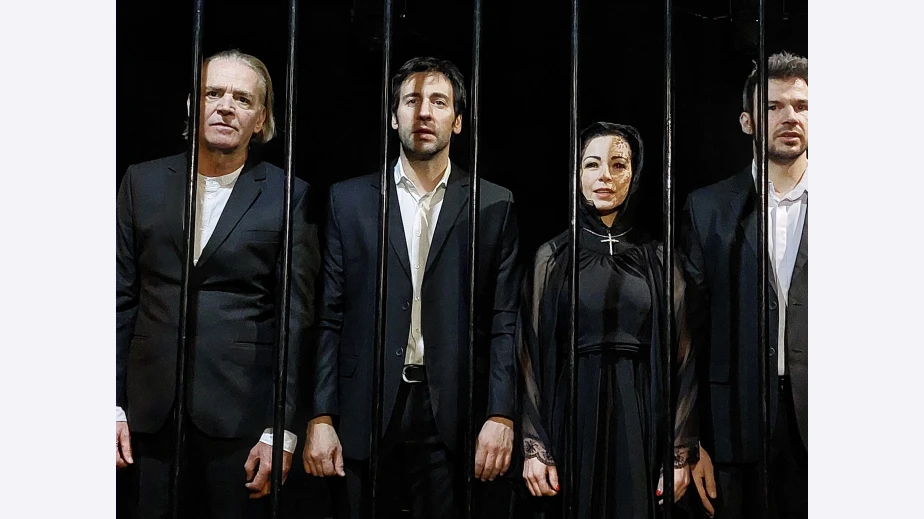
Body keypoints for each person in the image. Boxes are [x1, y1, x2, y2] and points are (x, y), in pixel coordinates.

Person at [303, 56, 521, 518]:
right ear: (393, 115)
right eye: (411, 100)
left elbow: (505, 320)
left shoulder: (493, 203)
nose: (424, 112)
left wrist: (500, 413)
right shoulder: (349, 200)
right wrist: (321, 415)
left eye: (438, 102)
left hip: (454, 413)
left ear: (457, 120)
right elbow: (329, 315)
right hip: (365, 408)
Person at [115, 49, 320, 518]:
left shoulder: (289, 194)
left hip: (241, 418)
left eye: (242, 98)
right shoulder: (141, 182)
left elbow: (297, 318)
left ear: (260, 118)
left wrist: (281, 429)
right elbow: (116, 298)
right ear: (193, 104)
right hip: (148, 414)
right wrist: (111, 405)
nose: (226, 106)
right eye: (213, 93)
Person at [517, 122, 698, 518]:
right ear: (576, 173)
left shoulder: (660, 259)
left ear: (634, 174)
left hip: (642, 412)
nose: (605, 176)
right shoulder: (552, 258)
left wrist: (680, 452)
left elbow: (684, 357)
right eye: (592, 164)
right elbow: (528, 353)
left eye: (618, 165)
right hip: (571, 412)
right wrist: (535, 445)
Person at [680, 51, 808, 519]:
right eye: (773, 106)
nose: (790, 116)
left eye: (802, 105)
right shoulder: (707, 208)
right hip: (733, 429)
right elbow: (689, 332)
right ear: (747, 121)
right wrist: (689, 441)